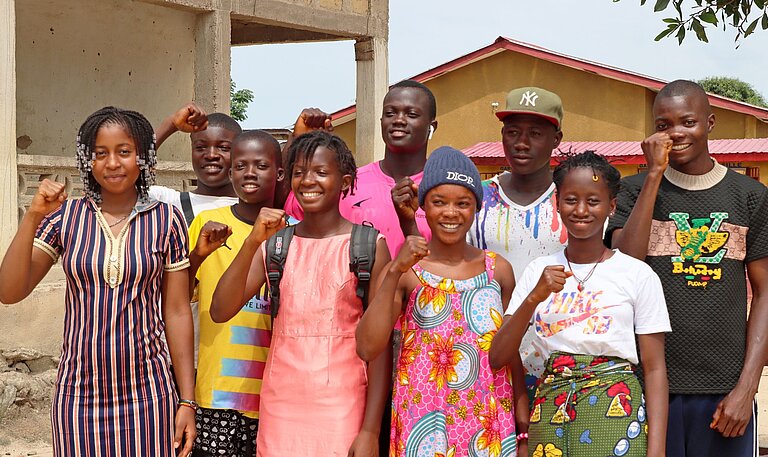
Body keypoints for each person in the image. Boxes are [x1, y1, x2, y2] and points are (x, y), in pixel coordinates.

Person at [0, 107, 196, 456]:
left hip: (147, 393)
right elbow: (10, 291)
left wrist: (187, 401)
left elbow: (178, 312)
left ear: (143, 158)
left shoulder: (166, 219)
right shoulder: (66, 217)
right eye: (100, 153)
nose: (113, 163)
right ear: (87, 161)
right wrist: (32, 216)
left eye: (124, 151)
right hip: (77, 394)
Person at [607, 80, 768, 457]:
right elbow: (626, 266)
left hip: (723, 391)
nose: (675, 133)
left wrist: (747, 388)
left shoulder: (750, 197)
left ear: (710, 124)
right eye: (663, 125)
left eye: (688, 122)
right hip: (643, 384)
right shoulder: (633, 190)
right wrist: (652, 176)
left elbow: (764, 294)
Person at [211, 131, 392, 456]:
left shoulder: (368, 246)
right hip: (281, 406)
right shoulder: (276, 244)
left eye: (321, 172)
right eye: (299, 172)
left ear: (345, 181)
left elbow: (378, 350)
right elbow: (220, 310)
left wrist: (369, 430)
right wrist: (253, 241)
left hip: (342, 404)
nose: (308, 181)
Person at [491, 151, 670, 457]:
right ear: (557, 203)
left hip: (614, 410)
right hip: (550, 410)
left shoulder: (638, 274)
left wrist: (656, 451)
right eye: (571, 199)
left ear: (611, 206)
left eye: (593, 200)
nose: (581, 210)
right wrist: (535, 296)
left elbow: (654, 369)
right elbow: (498, 356)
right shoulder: (538, 270)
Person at [357, 146, 528, 457]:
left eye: (463, 203)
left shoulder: (498, 270)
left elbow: (510, 353)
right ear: (423, 207)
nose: (451, 213)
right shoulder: (407, 272)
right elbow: (368, 347)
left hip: (488, 423)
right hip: (422, 424)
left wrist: (523, 426)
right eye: (439, 202)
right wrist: (395, 269)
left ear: (476, 207)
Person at [186, 130, 290, 456]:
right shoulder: (207, 223)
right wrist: (199, 255)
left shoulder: (294, 231)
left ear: (280, 174)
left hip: (272, 392)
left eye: (260, 165)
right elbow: (179, 294)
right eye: (241, 165)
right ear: (231, 174)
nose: (249, 173)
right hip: (217, 389)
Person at [467, 87, 569, 401]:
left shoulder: (574, 203)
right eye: (512, 132)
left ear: (556, 139)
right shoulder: (478, 198)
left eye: (535, 134)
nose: (521, 143)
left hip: (560, 365)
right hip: (487, 361)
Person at [283, 80, 438, 257]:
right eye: (390, 113)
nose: (399, 120)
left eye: (411, 114)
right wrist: (299, 141)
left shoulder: (445, 190)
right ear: (381, 121)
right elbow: (288, 214)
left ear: (431, 127)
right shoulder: (346, 183)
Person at [151, 108, 241, 369]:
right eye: (200, 146)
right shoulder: (170, 202)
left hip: (231, 356)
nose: (211, 155)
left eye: (224, 147)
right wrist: (170, 124)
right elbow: (126, 173)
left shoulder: (253, 208)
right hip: (178, 354)